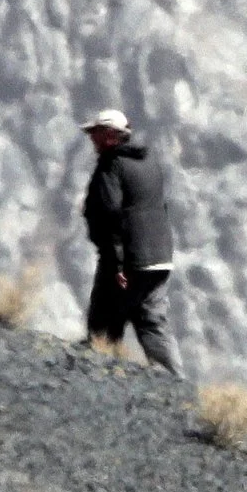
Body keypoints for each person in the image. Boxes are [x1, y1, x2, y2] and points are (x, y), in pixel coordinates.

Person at [77, 108, 183, 375]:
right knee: (152, 321)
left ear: (110, 135)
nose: (92, 138)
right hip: (159, 258)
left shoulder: (111, 164)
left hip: (128, 261)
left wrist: (118, 265)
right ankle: (176, 384)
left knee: (104, 321)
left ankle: (98, 377)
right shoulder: (149, 161)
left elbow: (110, 213)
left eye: (96, 132)